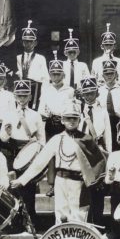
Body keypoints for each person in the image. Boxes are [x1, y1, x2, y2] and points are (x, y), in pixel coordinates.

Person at [11, 101, 106, 225]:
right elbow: (39, 162)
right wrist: (22, 180)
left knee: (78, 217)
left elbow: (99, 162)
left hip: (79, 183)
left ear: (79, 120)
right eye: (68, 118)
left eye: (74, 118)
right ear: (62, 120)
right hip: (60, 182)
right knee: (61, 216)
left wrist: (91, 177)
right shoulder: (56, 139)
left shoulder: (86, 139)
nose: (71, 121)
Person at [0, 79, 46, 229]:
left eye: (25, 96)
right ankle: (15, 221)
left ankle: (30, 220)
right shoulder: (8, 114)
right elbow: (2, 138)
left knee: (29, 187)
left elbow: (41, 139)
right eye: (19, 96)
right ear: (14, 96)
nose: (22, 99)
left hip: (29, 153)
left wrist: (38, 156)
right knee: (13, 187)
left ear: (30, 97)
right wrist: (7, 133)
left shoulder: (35, 115)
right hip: (12, 151)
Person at [38, 53, 75, 197]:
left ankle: (66, 184)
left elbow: (71, 108)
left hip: (64, 123)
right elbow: (42, 109)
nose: (56, 76)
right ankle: (52, 185)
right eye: (53, 74)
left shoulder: (69, 90)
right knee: (51, 155)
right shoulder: (46, 89)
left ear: (63, 75)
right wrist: (45, 115)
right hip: (50, 124)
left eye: (58, 74)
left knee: (65, 153)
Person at [77, 76, 112, 226]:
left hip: (98, 153)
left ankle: (97, 223)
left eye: (91, 93)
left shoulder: (102, 112)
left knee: (97, 190)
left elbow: (108, 135)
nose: (89, 96)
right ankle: (83, 224)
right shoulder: (78, 111)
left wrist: (108, 156)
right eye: (86, 93)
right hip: (81, 153)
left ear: (96, 93)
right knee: (83, 190)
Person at [15, 20, 49, 110]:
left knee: (34, 111)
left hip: (35, 88)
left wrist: (43, 95)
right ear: (23, 43)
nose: (28, 43)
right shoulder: (18, 58)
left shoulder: (40, 58)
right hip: (22, 88)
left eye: (31, 41)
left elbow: (45, 79)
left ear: (35, 43)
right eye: (26, 41)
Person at [98, 59, 120, 152]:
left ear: (116, 74)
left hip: (117, 122)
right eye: (106, 74)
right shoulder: (99, 91)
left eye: (111, 73)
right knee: (105, 148)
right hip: (103, 122)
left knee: (117, 148)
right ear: (103, 75)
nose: (109, 76)